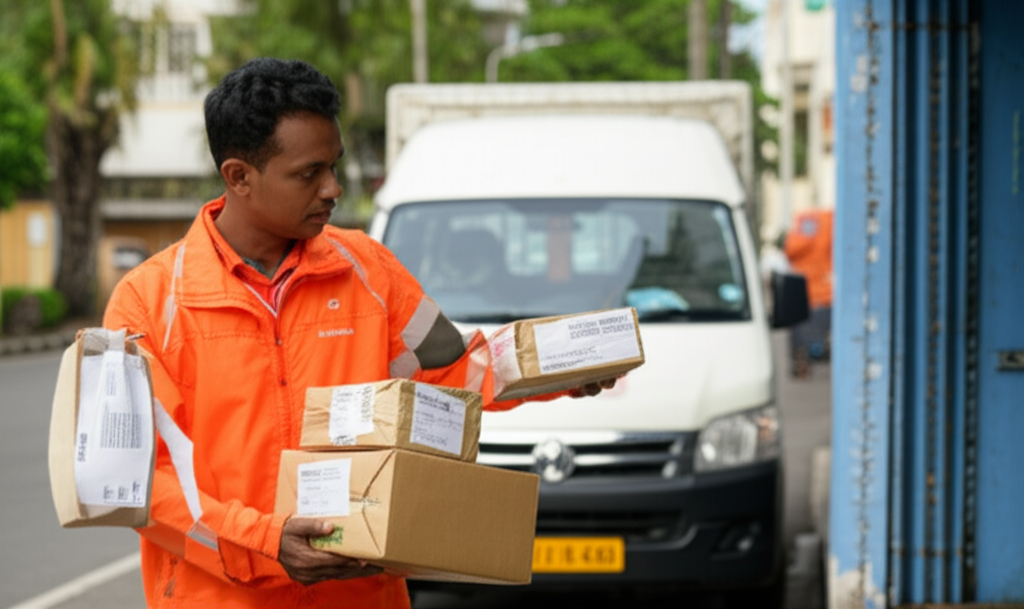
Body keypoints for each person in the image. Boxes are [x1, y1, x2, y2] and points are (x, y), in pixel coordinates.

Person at [102, 57, 615, 608]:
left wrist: (560, 368)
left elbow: (458, 368)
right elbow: (133, 481)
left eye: (335, 166)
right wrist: (267, 542)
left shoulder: (369, 270)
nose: (333, 189)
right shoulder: (147, 304)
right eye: (309, 173)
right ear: (239, 177)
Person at [783, 207, 834, 379]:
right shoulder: (833, 222)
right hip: (827, 290)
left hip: (808, 290)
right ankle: (815, 355)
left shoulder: (809, 221)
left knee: (801, 331)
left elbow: (792, 249)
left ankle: (802, 361)